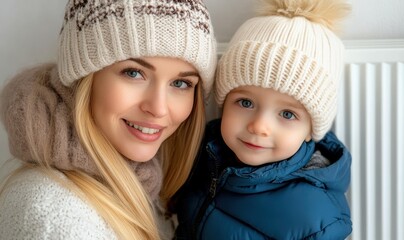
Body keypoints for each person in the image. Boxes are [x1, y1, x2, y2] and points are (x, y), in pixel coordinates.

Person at [0, 0, 217, 239]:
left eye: (181, 83)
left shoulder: (143, 183)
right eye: (134, 73)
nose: (158, 108)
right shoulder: (56, 216)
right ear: (84, 79)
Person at [172, 0, 353, 239]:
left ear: (311, 130)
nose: (258, 126)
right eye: (245, 103)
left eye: (287, 114)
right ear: (224, 103)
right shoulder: (203, 156)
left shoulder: (318, 220)